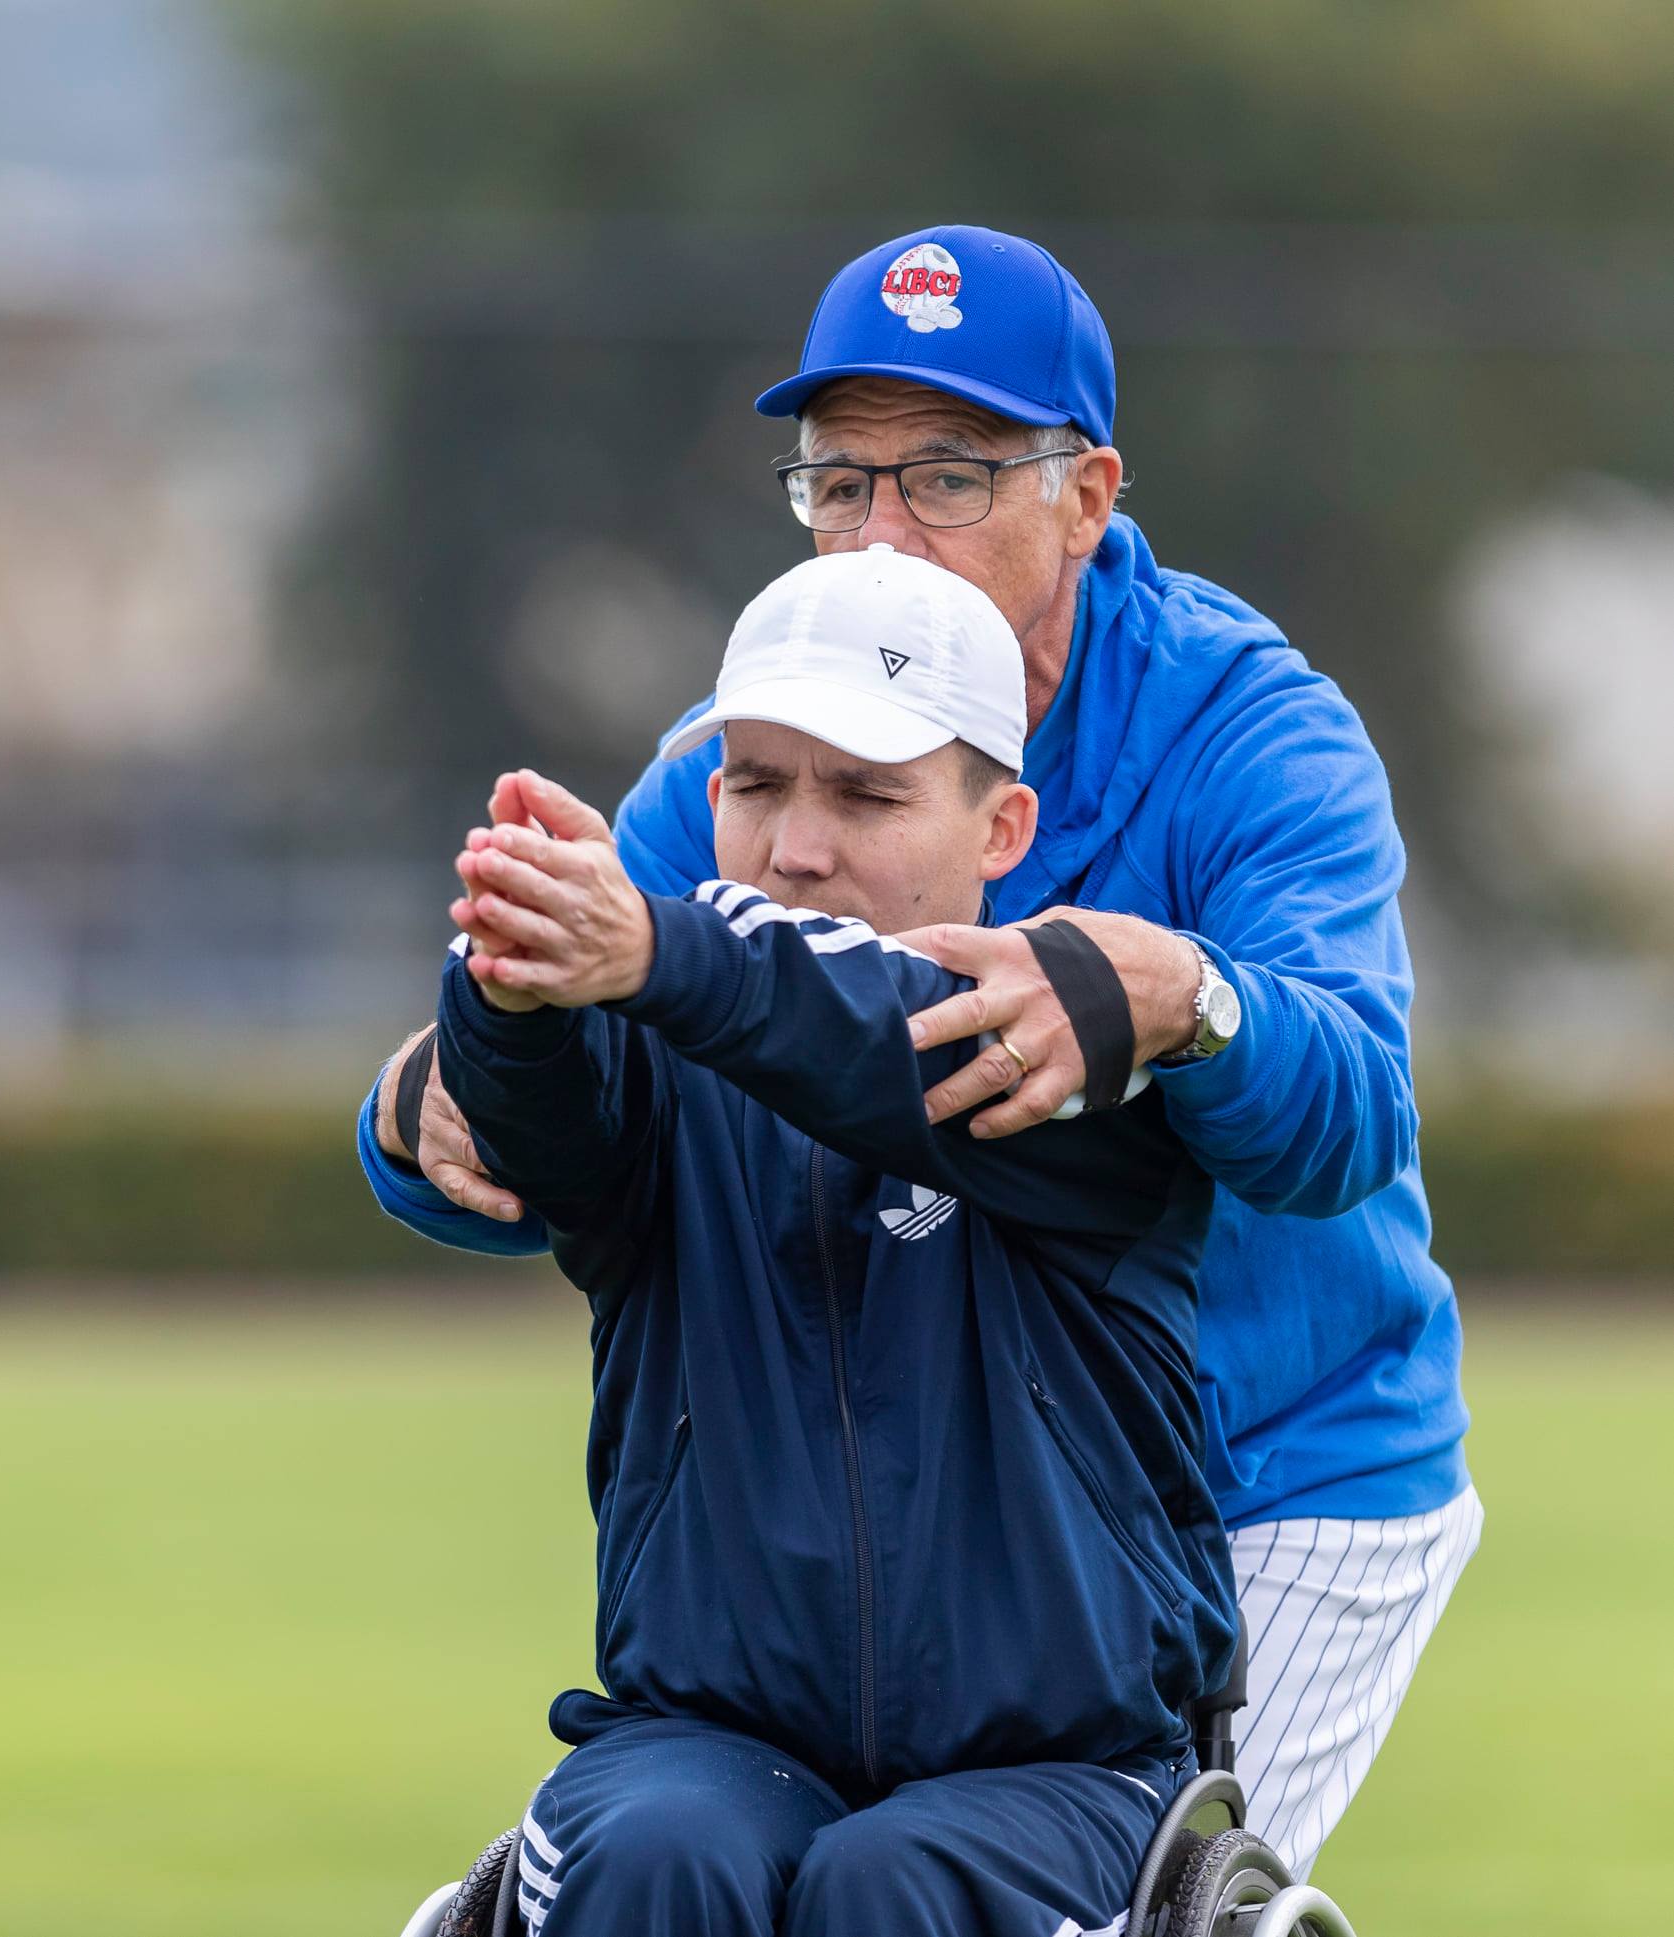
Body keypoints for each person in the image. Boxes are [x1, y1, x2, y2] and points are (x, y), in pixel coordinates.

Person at [362, 224, 1481, 1878]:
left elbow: (1350, 1120)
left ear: (1087, 496)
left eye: (947, 474)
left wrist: (1190, 998)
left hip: (1281, 1471)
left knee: (1073, 1887)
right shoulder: (737, 769)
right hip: (914, 1497)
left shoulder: (1250, 729)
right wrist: (433, 1101)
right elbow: (590, 1115)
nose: (879, 528)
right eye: (837, 479)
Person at [418, 546, 1233, 1937]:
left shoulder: (1081, 1051)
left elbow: (877, 1034)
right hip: (699, 1732)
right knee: (651, 1854)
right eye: (752, 784)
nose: (795, 845)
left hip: (1057, 1767)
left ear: (1001, 828)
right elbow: (541, 1111)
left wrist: (665, 950)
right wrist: (514, 970)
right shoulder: (669, 1044)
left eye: (864, 792)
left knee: (890, 1887)